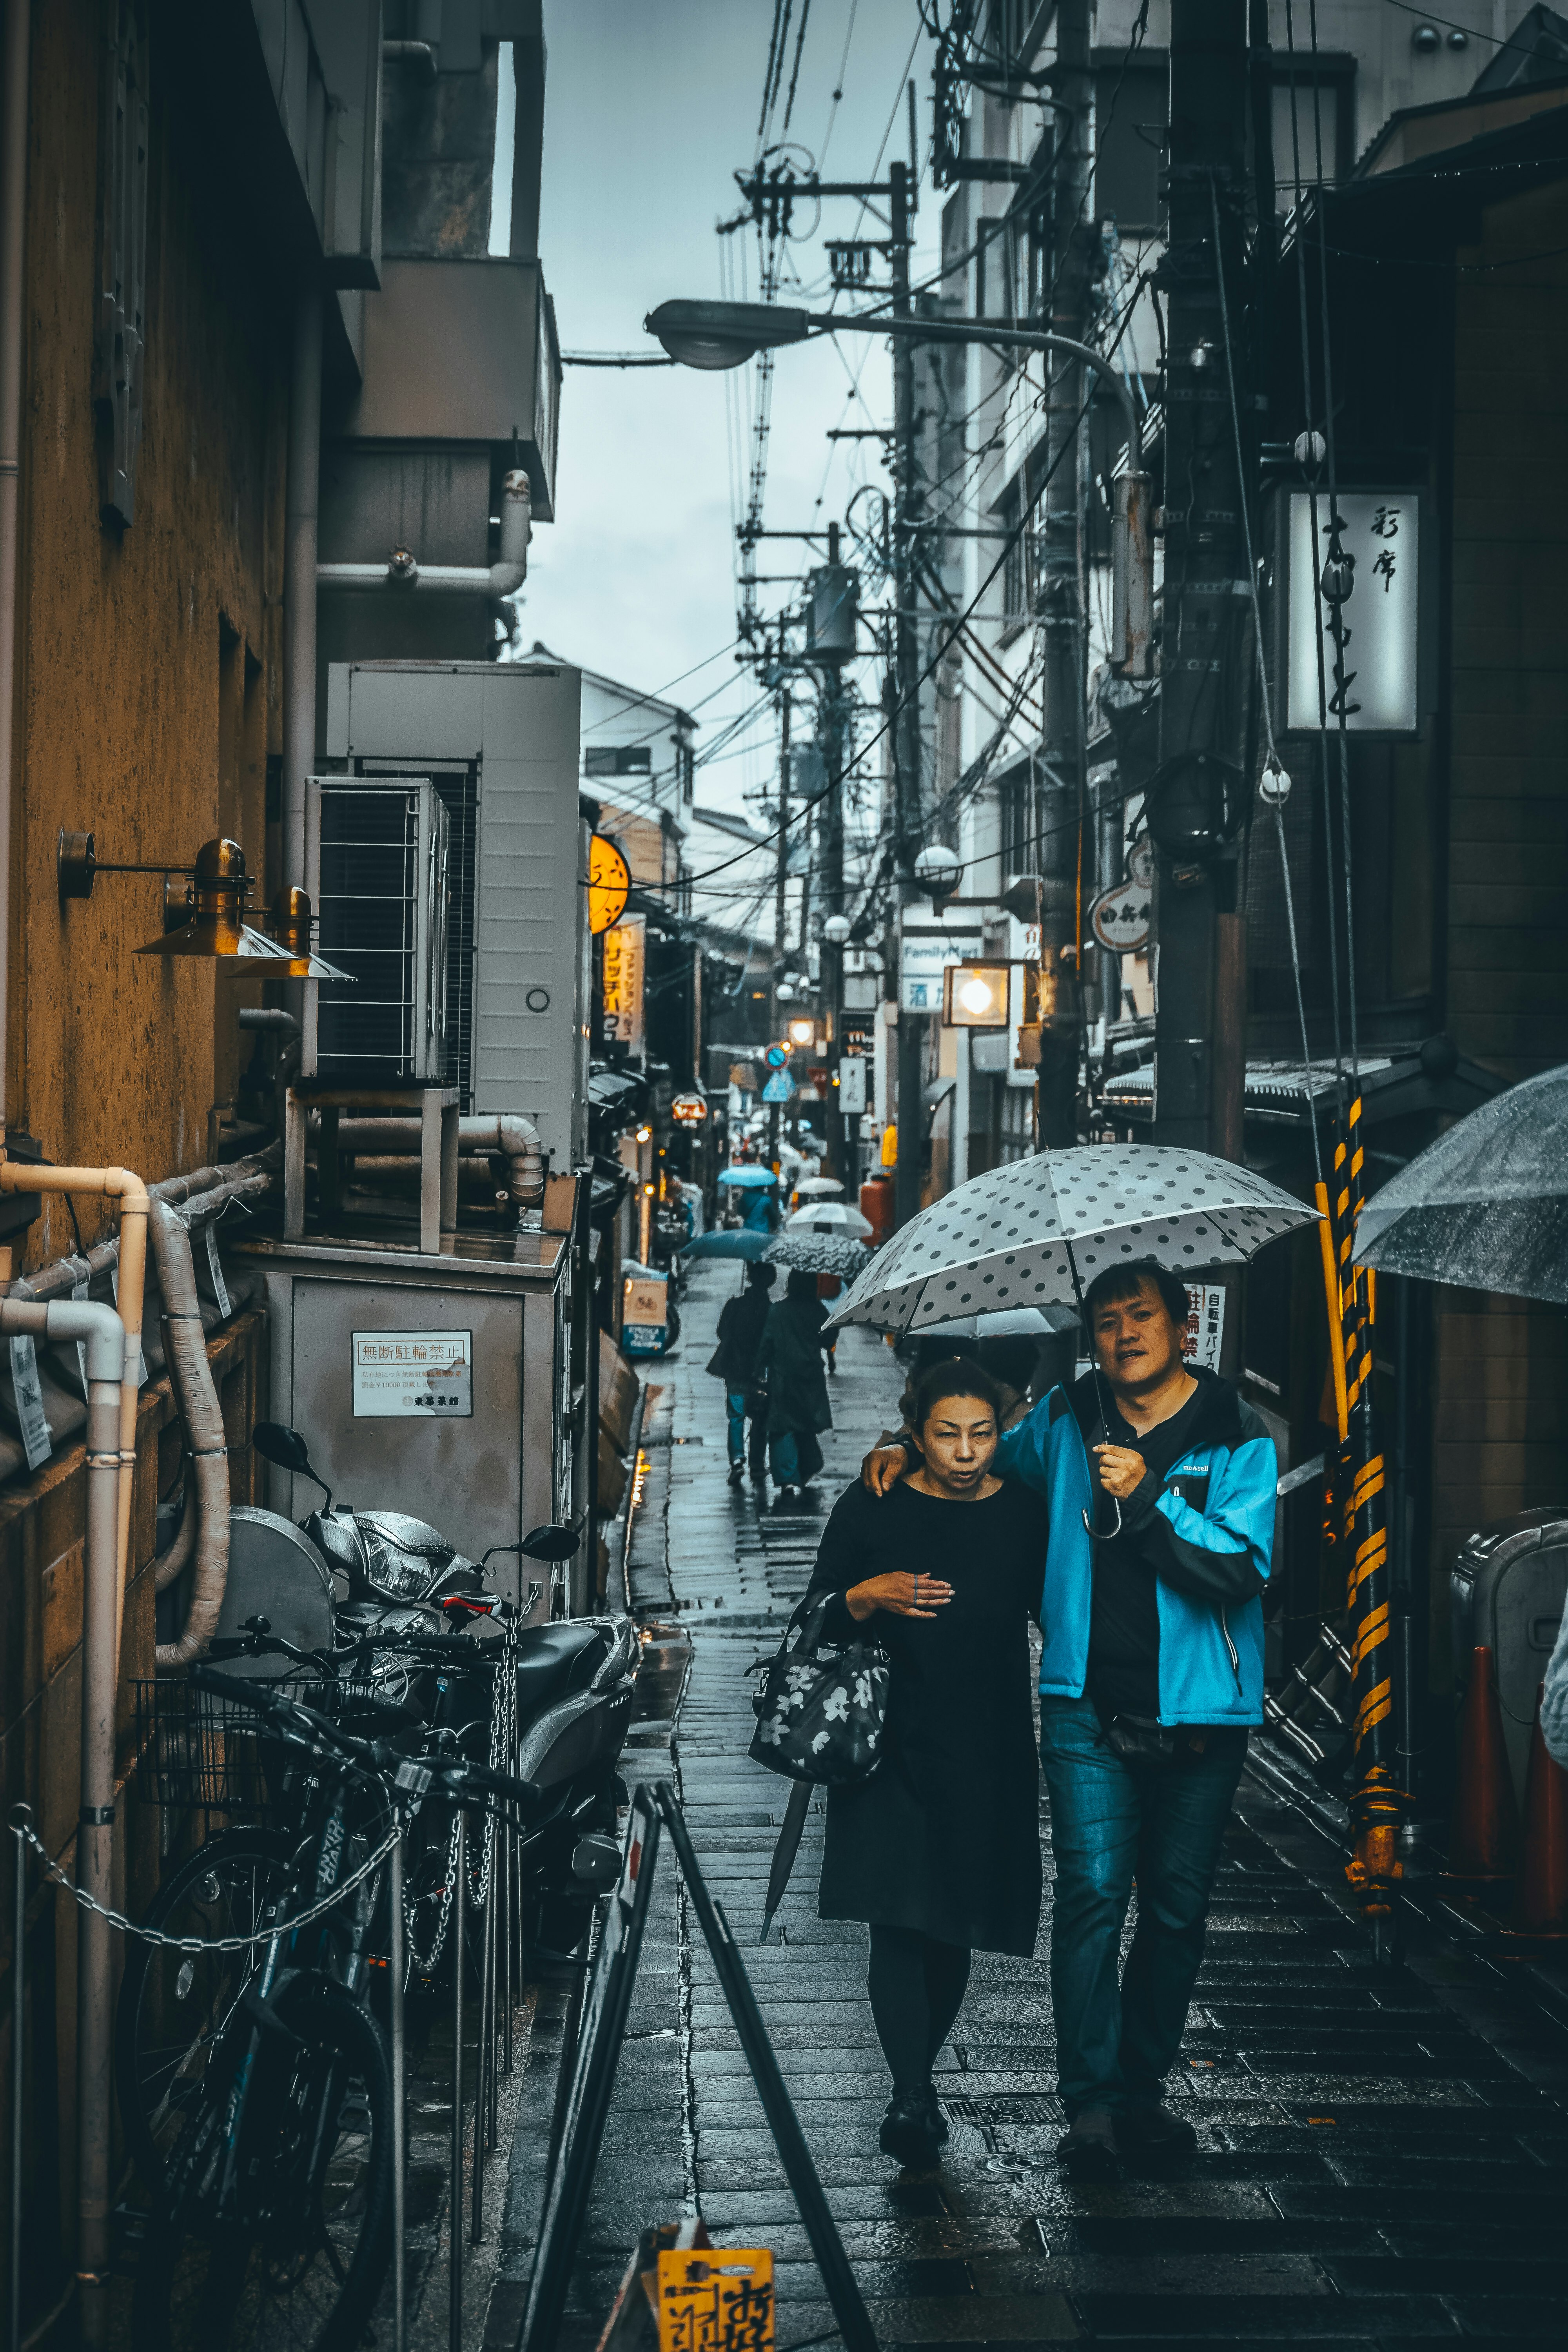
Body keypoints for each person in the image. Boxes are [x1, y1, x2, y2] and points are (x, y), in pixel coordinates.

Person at [863, 1260, 1277, 2180]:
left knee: (1175, 1912)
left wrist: (1152, 1497)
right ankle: (1090, 2103)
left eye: (1141, 1316)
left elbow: (1244, 1567)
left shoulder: (1234, 1431)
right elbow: (977, 1465)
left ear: (1180, 1325)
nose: (1123, 1334)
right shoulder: (1060, 1419)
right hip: (1084, 1699)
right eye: (1104, 1320)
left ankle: (1140, 2091)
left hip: (1205, 1712)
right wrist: (905, 1448)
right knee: (1092, 1896)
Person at [806, 1360, 1048, 2169]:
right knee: (898, 1916)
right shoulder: (876, 1500)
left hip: (987, 1746)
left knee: (956, 1925)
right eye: (946, 1433)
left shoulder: (1023, 1514)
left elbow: (1060, 1608)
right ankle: (909, 2093)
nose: (965, 1450)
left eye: (981, 1433)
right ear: (915, 1433)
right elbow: (814, 1616)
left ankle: (921, 2078)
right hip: (888, 1744)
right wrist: (864, 1597)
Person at [755, 1267, 834, 1497]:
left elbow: (767, 1343)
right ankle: (808, 1466)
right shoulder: (817, 1310)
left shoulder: (777, 1310)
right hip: (810, 1377)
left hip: (783, 1377)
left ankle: (788, 1477)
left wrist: (759, 1371)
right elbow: (829, 1340)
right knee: (806, 1423)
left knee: (783, 1426)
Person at [705, 1261, 776, 1487]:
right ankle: (757, 1465)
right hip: (760, 1374)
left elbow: (721, 1332)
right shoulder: (771, 1310)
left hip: (735, 1369)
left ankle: (737, 1461)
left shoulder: (735, 1305)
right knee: (759, 1419)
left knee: (736, 1417)